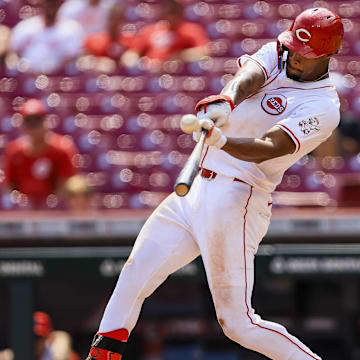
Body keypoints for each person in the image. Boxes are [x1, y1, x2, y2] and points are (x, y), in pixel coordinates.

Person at [85, 7, 343, 360]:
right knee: (135, 273)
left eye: (307, 54)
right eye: (294, 48)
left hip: (237, 196)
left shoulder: (324, 105)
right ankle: (103, 354)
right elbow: (250, 76)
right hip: (196, 190)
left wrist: (223, 141)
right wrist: (227, 100)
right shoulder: (278, 52)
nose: (296, 57)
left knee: (238, 323)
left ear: (329, 53)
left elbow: (269, 148)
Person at [3, 98, 78, 209]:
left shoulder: (61, 149)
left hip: (54, 213)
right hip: (23, 211)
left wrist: (50, 207)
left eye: (37, 120)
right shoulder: (14, 151)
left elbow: (66, 186)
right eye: (29, 121)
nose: (33, 126)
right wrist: (22, 204)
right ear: (22, 125)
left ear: (45, 121)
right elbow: (9, 186)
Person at [121, 0, 209, 69]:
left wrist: (180, 56)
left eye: (175, 10)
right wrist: (140, 63)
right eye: (170, 10)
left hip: (177, 75)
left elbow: (204, 51)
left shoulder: (191, 29)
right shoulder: (151, 30)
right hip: (151, 74)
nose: (172, 14)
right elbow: (131, 54)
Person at [10, 0, 84, 74]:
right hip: (28, 76)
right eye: (47, 2)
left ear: (58, 4)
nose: (50, 6)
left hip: (60, 78)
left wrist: (52, 67)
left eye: (53, 3)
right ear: (41, 3)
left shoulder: (71, 28)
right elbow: (13, 54)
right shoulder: (25, 27)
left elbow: (73, 57)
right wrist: (23, 66)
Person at [0, 311, 80, 360]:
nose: (34, 342)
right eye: (30, 337)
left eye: (37, 337)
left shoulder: (61, 354)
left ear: (49, 338)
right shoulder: (12, 355)